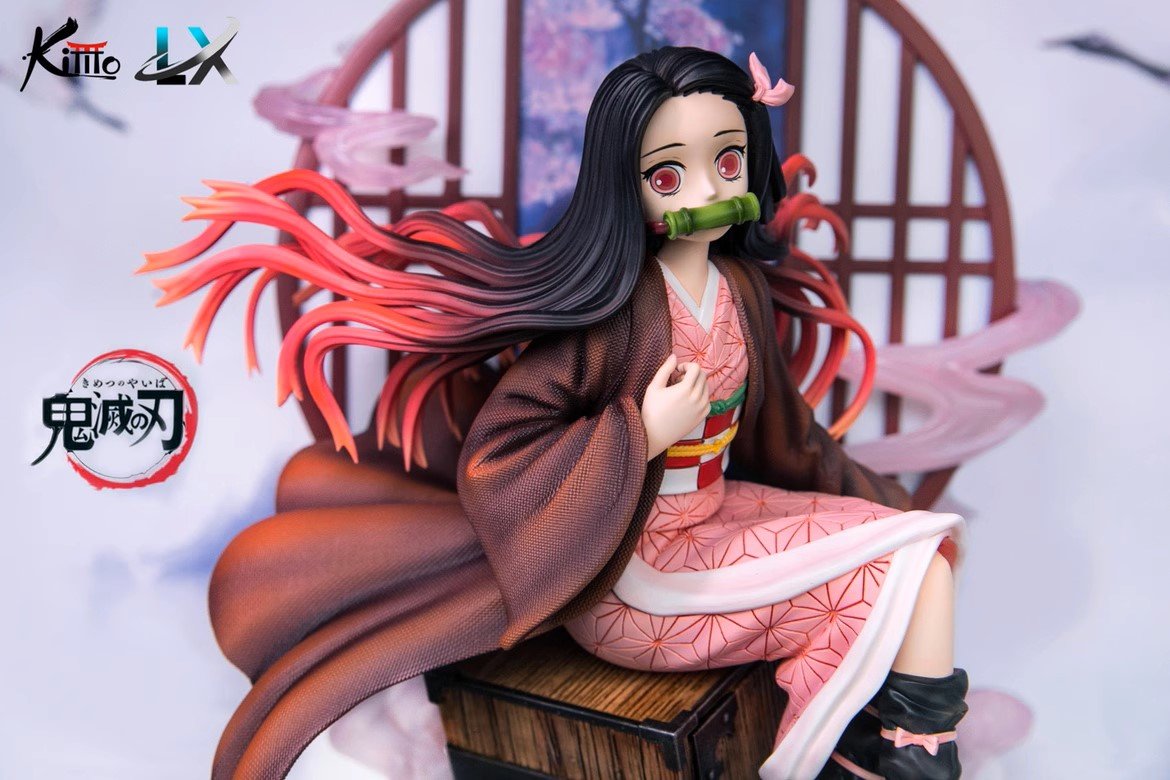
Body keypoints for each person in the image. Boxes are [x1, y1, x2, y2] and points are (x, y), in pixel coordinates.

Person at [146, 46, 967, 780]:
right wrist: (640, 434)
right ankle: (875, 758)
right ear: (627, 186)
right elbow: (501, 451)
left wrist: (882, 502)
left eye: (728, 162)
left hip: (720, 518)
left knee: (923, 547)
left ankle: (875, 750)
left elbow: (787, 434)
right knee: (912, 570)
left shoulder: (740, 289)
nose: (709, 193)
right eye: (669, 177)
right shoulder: (616, 311)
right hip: (636, 568)